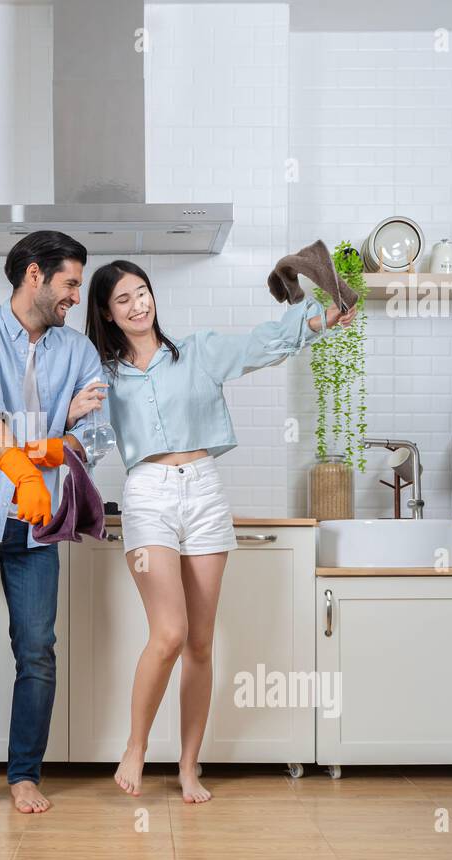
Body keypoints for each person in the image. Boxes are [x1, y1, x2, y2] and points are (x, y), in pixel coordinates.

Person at [84, 259, 354, 803]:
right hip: (148, 495)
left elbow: (262, 343)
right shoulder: (103, 376)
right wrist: (73, 416)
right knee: (169, 634)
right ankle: (136, 745)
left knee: (200, 644)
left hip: (204, 491)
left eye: (143, 292)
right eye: (124, 301)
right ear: (108, 315)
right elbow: (86, 441)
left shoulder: (199, 351)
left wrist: (319, 320)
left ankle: (188, 766)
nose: (139, 306)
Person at [0, 230, 108, 813]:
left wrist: (61, 447)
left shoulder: (78, 350)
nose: (74, 297)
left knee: (36, 646)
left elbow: (105, 431)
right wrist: (25, 469)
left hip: (38, 526)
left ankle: (25, 772)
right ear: (34, 275)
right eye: (69, 284)